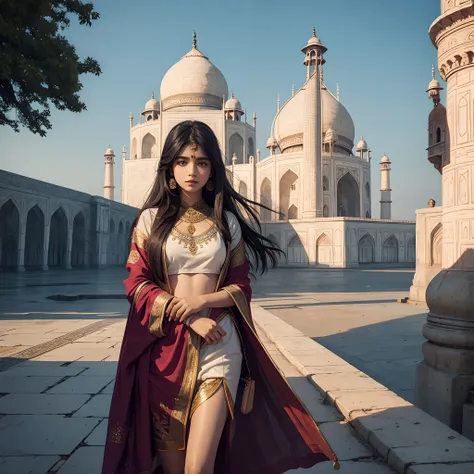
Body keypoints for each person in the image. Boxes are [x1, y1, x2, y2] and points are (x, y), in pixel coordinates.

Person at [102, 120, 339, 474]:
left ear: (213, 168)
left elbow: (241, 286)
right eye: (182, 162)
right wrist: (188, 317)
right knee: (172, 466)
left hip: (220, 342)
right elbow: (136, 283)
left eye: (201, 162)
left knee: (199, 468)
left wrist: (203, 304)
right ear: (169, 167)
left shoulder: (226, 223)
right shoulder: (149, 221)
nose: (191, 171)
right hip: (164, 350)